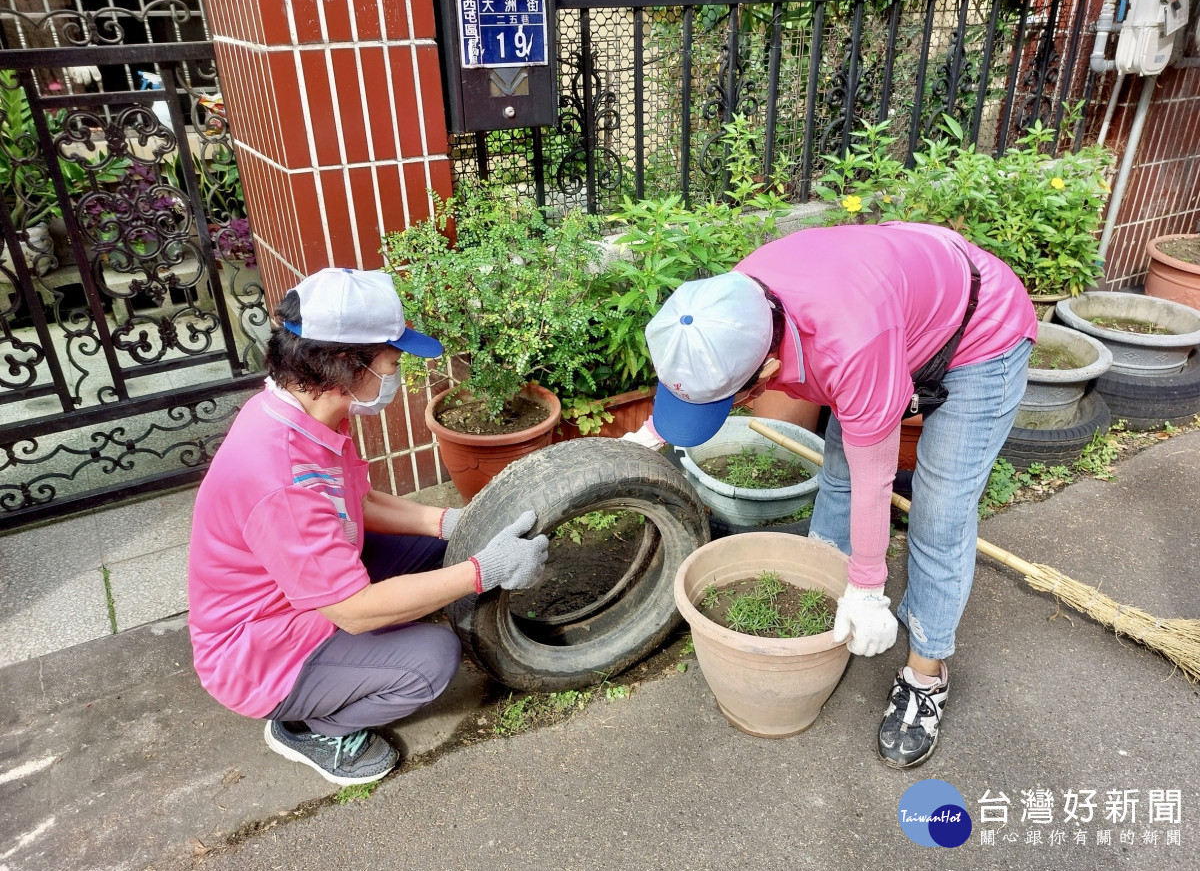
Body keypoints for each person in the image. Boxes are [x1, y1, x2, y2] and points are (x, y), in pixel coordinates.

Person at [630, 221, 1037, 768]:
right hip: (894, 316)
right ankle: (826, 604)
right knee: (839, 472)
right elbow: (695, 370)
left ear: (767, 371)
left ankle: (925, 675)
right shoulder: (728, 307)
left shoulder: (852, 348)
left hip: (980, 336)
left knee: (940, 513)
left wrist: (869, 591)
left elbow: (877, 479)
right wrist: (651, 436)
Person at [188, 267, 549, 785]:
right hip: (262, 652)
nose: (397, 372)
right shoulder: (280, 477)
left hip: (297, 591)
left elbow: (356, 500)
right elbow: (353, 612)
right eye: (393, 359)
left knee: (434, 549)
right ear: (345, 364)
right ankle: (312, 727)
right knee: (431, 662)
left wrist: (453, 522)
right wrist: (484, 570)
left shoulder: (304, 414)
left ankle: (362, 660)